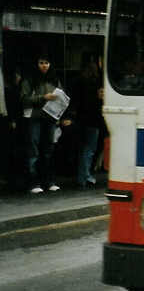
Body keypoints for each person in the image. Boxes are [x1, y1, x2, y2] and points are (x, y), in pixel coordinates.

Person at [20, 53, 67, 194]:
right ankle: (34, 182)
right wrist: (43, 98)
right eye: (41, 62)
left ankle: (49, 181)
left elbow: (61, 96)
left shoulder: (54, 79)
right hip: (34, 117)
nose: (44, 65)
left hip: (50, 117)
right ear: (36, 64)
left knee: (48, 150)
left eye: (46, 63)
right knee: (34, 150)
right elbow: (24, 99)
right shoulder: (29, 79)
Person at [70, 59, 104, 189]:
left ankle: (83, 176)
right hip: (93, 119)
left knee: (83, 148)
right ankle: (83, 177)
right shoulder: (96, 83)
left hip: (80, 119)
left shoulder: (78, 81)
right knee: (89, 149)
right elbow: (96, 101)